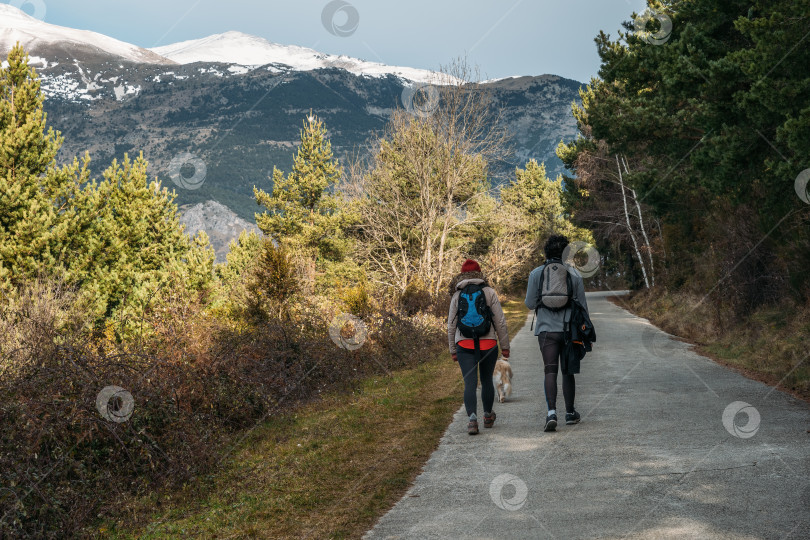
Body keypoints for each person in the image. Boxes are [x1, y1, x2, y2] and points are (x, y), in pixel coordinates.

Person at [525, 235, 589, 432]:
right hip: (569, 330)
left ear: (546, 252)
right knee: (567, 371)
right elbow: (582, 308)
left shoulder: (536, 273)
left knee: (550, 370)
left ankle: (551, 413)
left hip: (546, 330)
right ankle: (570, 413)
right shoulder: (574, 274)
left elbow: (529, 303)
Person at [448, 259, 511, 435]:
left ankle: (472, 420)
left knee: (469, 382)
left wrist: (453, 349)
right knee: (485, 381)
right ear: (479, 273)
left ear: (462, 275)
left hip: (464, 344)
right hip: (488, 343)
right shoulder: (489, 291)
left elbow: (451, 326)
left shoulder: (456, 295)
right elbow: (500, 321)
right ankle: (488, 416)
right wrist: (505, 347)